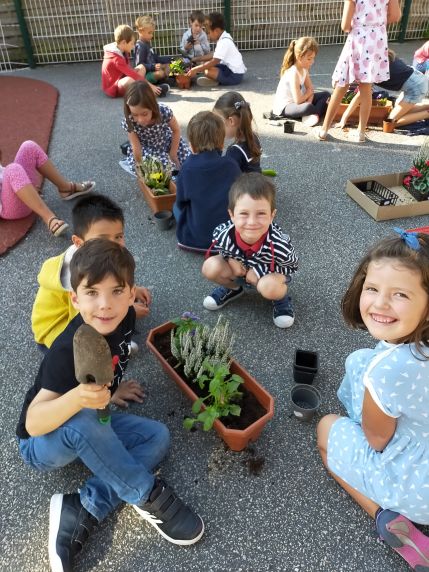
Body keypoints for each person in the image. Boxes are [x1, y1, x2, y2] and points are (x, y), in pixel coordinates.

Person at [17, 239, 204, 572]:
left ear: (131, 294)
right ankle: (146, 493)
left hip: (92, 418)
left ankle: (85, 507)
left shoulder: (126, 318)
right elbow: (33, 423)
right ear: (74, 300)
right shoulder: (66, 351)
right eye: (91, 293)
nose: (105, 305)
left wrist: (112, 394)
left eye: (117, 291)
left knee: (157, 437)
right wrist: (78, 397)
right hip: (42, 444)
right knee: (85, 421)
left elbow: (111, 363)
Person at [317, 229, 429, 571]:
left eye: (399, 295)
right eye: (373, 289)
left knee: (325, 430)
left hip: (419, 484)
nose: (380, 303)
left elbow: (378, 439)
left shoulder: (388, 372)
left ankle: (386, 518)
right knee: (358, 360)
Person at [31, 194, 151, 358]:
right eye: (101, 239)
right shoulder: (74, 278)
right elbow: (88, 319)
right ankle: (110, 350)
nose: (113, 245)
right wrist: (129, 312)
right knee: (101, 327)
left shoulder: (91, 256)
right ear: (79, 242)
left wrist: (130, 289)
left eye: (118, 236)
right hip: (57, 334)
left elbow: (110, 278)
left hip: (79, 317)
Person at [202, 172, 298, 328]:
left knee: (269, 287)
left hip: (268, 276)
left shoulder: (280, 244)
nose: (252, 222)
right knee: (210, 266)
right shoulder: (221, 233)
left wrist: (259, 271)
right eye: (244, 214)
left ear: (272, 215)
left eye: (261, 213)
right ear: (232, 215)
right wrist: (230, 260)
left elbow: (292, 266)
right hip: (239, 271)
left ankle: (280, 299)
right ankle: (233, 289)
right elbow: (221, 248)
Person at [317, 0, 401, 142]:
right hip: (377, 39)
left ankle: (324, 130)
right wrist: (377, 20)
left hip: (358, 37)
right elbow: (395, 16)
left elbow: (344, 25)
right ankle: (361, 132)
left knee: (342, 84)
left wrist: (360, 23)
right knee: (366, 86)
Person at [174, 111, 241, 252]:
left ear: (191, 146)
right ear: (222, 143)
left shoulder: (186, 169)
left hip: (191, 240)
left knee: (175, 207)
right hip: (227, 241)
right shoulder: (231, 165)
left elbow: (181, 202)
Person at [0, 140, 94, 237]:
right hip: (9, 208)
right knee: (12, 169)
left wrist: (23, 187)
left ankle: (65, 187)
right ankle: (49, 218)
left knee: (29, 147)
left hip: (8, 189)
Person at [338, 50, 429, 128]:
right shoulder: (379, 55)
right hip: (416, 79)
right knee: (396, 109)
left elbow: (360, 96)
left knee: (389, 123)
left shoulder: (371, 69)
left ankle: (427, 113)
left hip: (415, 87)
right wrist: (344, 118)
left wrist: (344, 118)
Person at [121, 80, 190, 175]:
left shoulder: (163, 111)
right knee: (158, 170)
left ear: (152, 107)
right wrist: (140, 165)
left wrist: (173, 154)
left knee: (188, 162)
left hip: (167, 141)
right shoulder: (129, 120)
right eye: (135, 115)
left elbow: (176, 130)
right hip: (147, 148)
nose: (140, 120)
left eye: (144, 114)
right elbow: (136, 147)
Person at [270, 37, 330, 127]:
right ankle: (314, 113)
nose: (312, 62)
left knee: (326, 95)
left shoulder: (304, 69)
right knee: (308, 107)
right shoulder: (293, 73)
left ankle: (312, 114)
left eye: (313, 58)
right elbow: (298, 100)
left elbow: (310, 89)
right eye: (309, 59)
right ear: (299, 57)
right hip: (286, 107)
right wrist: (308, 100)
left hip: (300, 102)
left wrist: (309, 101)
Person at [187, 12, 246, 87]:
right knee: (205, 66)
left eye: (209, 33)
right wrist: (196, 59)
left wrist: (196, 69)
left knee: (207, 71)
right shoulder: (225, 36)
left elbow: (214, 61)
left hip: (234, 76)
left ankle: (216, 81)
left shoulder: (224, 42)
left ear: (216, 31)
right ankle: (215, 80)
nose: (208, 35)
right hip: (230, 69)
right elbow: (214, 55)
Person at [102, 24, 161, 98]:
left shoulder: (122, 50)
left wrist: (133, 71)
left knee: (141, 67)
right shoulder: (116, 59)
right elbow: (133, 75)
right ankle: (148, 91)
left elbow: (128, 70)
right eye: (132, 43)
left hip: (122, 78)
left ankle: (143, 89)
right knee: (130, 80)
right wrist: (151, 86)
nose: (133, 47)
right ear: (124, 42)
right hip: (114, 87)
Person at [213, 91, 262, 173]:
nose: (217, 127)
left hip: (244, 185)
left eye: (218, 123)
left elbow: (225, 176)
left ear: (231, 121)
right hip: (257, 182)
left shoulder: (234, 151)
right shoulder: (254, 137)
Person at [134, 15, 171, 94]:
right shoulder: (140, 46)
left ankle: (164, 80)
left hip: (152, 69)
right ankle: (157, 83)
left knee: (167, 65)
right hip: (145, 75)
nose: (152, 35)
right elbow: (140, 65)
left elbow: (154, 57)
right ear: (140, 31)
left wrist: (167, 60)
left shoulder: (147, 43)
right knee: (160, 73)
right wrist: (152, 67)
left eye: (152, 32)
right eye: (149, 33)